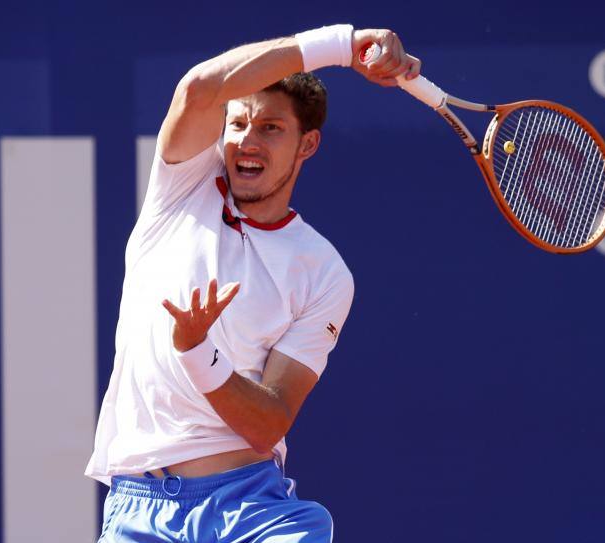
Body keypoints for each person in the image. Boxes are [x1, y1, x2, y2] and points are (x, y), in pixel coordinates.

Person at [86, 24, 421, 542]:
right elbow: (199, 89)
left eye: (270, 128)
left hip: (251, 515)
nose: (247, 139)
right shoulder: (181, 188)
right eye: (238, 122)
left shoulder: (323, 271)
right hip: (137, 511)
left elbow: (269, 423)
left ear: (307, 144)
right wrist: (338, 48)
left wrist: (198, 353)